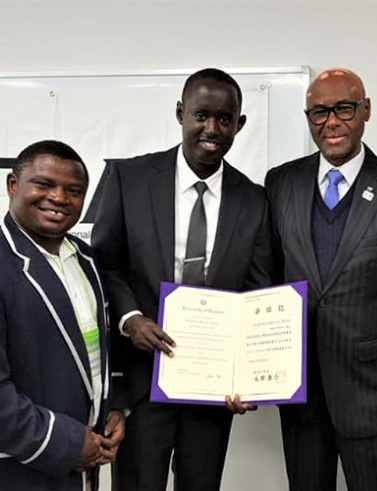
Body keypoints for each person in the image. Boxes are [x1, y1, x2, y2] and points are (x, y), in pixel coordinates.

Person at [91, 68, 273, 491]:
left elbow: (257, 293)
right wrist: (130, 318)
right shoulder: (129, 179)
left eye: (225, 119)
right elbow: (105, 264)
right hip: (141, 381)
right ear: (180, 114)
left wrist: (245, 375)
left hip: (212, 393)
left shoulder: (255, 199)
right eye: (201, 115)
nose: (212, 129)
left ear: (239, 125)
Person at [265, 68, 377, 491]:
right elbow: (268, 281)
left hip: (375, 393)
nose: (332, 122)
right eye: (318, 112)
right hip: (300, 390)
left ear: (366, 111)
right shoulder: (280, 182)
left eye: (344, 108)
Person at [0, 140, 124, 491]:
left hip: (81, 468)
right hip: (14, 474)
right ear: (12, 185)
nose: (60, 198)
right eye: (45, 184)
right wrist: (64, 443)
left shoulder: (86, 259)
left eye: (74, 190)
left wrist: (113, 408)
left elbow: (94, 352)